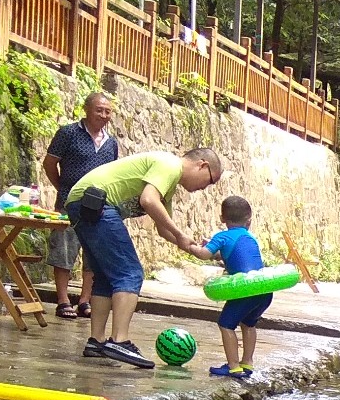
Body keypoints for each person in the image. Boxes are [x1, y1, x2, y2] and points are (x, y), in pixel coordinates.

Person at [67, 147, 222, 367]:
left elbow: (162, 228)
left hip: (83, 203)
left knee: (104, 277)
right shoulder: (169, 165)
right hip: (97, 203)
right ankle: (120, 341)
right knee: (130, 273)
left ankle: (97, 342)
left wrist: (193, 247)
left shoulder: (168, 185)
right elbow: (149, 200)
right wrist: (180, 234)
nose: (205, 188)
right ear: (202, 165)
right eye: (210, 181)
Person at [168, 194, 269, 377]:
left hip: (244, 290)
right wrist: (218, 253)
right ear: (249, 221)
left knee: (226, 324)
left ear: (222, 218)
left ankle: (233, 366)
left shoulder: (222, 237)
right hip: (264, 289)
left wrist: (189, 247)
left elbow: (204, 254)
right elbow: (238, 257)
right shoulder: (250, 238)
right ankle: (247, 363)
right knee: (248, 323)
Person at [40, 89, 118, 318]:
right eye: (99, 110)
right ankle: (63, 300)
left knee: (93, 254)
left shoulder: (111, 143)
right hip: (69, 202)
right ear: (86, 110)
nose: (103, 115)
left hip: (98, 206)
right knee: (64, 249)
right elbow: (49, 163)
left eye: (108, 111)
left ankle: (85, 300)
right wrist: (63, 188)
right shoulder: (68, 133)